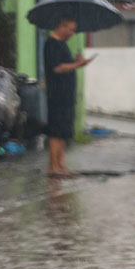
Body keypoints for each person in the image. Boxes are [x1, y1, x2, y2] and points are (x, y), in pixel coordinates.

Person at [43, 17, 93, 177]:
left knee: (64, 131)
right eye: (70, 29)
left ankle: (61, 165)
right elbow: (58, 68)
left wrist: (75, 61)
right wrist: (79, 64)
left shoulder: (63, 45)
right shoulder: (51, 44)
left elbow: (66, 64)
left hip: (67, 94)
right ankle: (53, 167)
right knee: (56, 131)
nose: (72, 33)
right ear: (61, 26)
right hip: (56, 94)